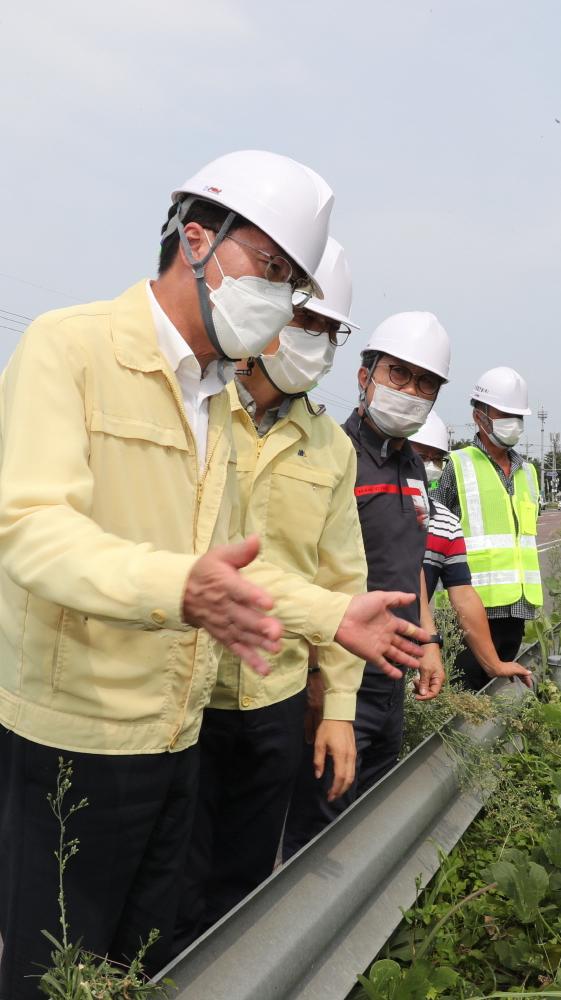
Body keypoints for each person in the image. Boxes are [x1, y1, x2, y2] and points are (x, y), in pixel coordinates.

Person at [0, 151, 430, 999]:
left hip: (175, 738)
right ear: (197, 239)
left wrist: (331, 619)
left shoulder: (214, 399)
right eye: (269, 269)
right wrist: (174, 587)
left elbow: (232, 569)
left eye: (292, 286)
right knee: (56, 981)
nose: (279, 300)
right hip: (74, 741)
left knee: (152, 970)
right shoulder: (67, 348)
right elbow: (32, 533)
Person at [173, 238, 366, 951]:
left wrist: (337, 707)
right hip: (186, 696)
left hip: (276, 701)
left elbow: (344, 582)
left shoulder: (331, 446)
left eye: (328, 332)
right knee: (174, 897)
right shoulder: (198, 406)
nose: (314, 343)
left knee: (245, 894)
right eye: (305, 322)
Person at [283, 312, 451, 858]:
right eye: (399, 374)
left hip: (391, 676)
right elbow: (309, 573)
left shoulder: (414, 466)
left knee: (375, 810)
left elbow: (413, 566)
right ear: (364, 376)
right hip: (340, 675)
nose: (412, 391)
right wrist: (316, 681)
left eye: (426, 383)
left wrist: (427, 643)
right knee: (322, 825)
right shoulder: (333, 454)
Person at [431, 366, 545, 694]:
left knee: (495, 700)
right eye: (504, 413)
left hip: (516, 608)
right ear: (479, 416)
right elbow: (432, 534)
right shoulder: (455, 465)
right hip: (467, 611)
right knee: (464, 699)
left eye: (518, 415)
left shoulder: (529, 473)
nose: (514, 422)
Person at [410, 413, 533, 689]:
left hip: (410, 643)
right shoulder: (368, 505)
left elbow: (462, 594)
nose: (429, 466)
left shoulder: (444, 522)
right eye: (420, 456)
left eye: (437, 459)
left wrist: (494, 665)